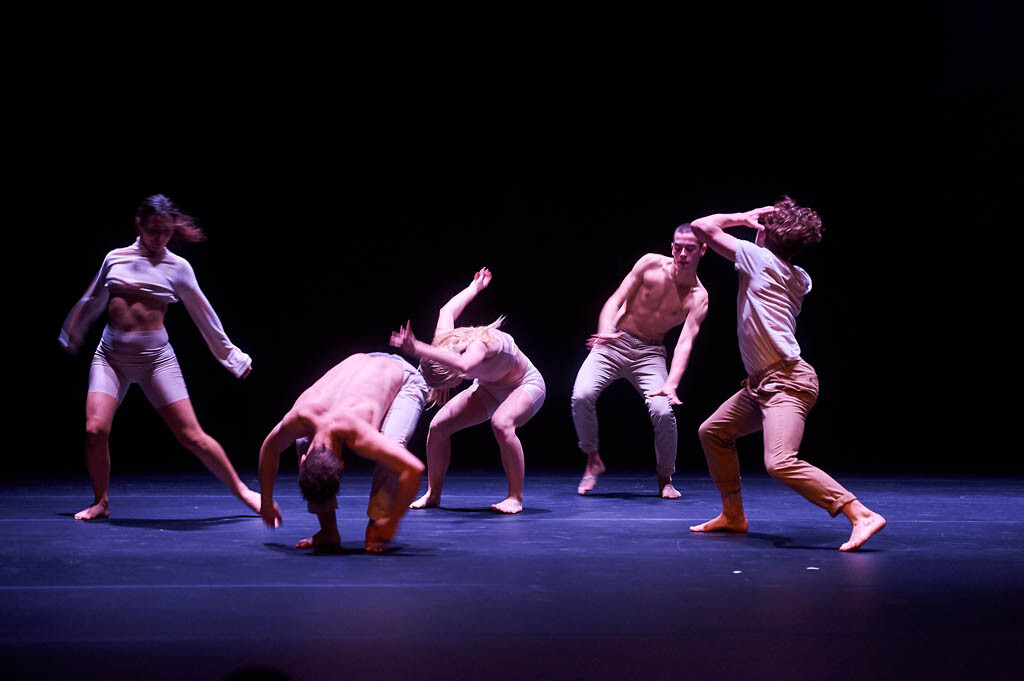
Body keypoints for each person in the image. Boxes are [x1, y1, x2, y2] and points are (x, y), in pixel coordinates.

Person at [688, 197, 886, 551]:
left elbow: (701, 226)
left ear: (764, 237)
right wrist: (764, 232)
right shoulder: (799, 277)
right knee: (713, 432)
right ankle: (733, 515)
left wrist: (743, 217)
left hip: (787, 382)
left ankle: (860, 514)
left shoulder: (758, 259)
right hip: (763, 384)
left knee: (779, 461)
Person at [59, 194, 261, 520]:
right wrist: (73, 329)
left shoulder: (178, 267)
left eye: (166, 231)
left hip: (156, 361)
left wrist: (233, 358)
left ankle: (244, 492)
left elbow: (204, 315)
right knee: (95, 431)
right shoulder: (116, 258)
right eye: (154, 230)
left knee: (191, 436)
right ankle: (101, 502)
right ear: (139, 225)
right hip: (110, 358)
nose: (160, 237)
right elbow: (93, 298)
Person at [390, 268, 545, 514]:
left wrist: (417, 347)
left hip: (524, 385)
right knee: (437, 428)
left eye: (450, 384)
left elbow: (464, 366)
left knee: (502, 423)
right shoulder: (444, 342)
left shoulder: (479, 346)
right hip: (489, 389)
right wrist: (475, 287)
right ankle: (433, 494)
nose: (453, 387)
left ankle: (515, 497)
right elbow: (446, 311)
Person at [571, 223, 709, 498]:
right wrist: (606, 329)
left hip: (649, 354)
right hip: (614, 342)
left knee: (663, 412)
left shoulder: (699, 297)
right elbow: (615, 300)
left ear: (702, 250)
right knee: (581, 395)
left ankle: (665, 476)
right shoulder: (649, 264)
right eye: (678, 248)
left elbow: (685, 342)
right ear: (672, 247)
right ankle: (593, 458)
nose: (683, 254)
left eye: (690, 249)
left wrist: (672, 383)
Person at [257, 353, 426, 552]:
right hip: (364, 365)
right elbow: (269, 448)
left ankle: (377, 527)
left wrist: (392, 522)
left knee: (392, 448)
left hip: (404, 377)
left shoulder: (359, 435)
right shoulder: (299, 417)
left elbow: (413, 469)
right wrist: (265, 502)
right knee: (303, 440)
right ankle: (328, 532)